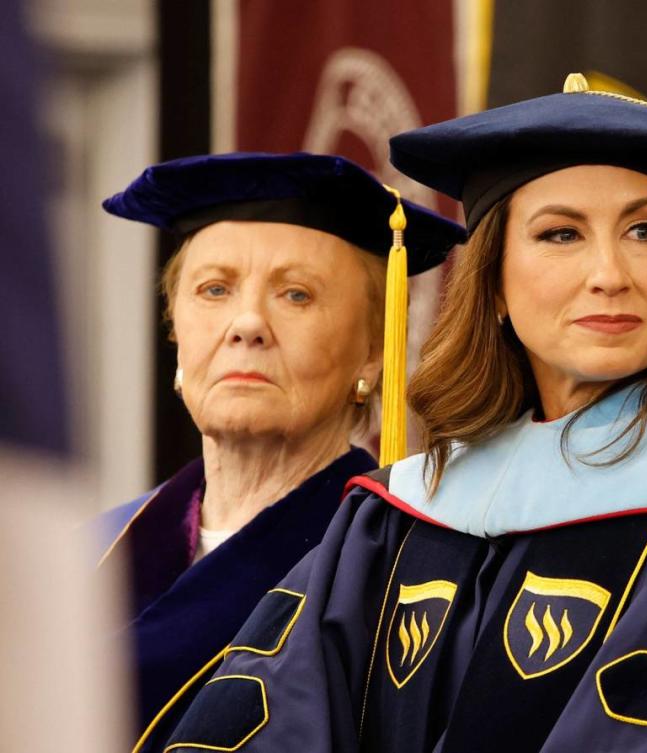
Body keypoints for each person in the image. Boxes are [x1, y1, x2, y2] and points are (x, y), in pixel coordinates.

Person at [153, 77, 647, 753]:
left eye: (646, 230)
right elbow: (259, 717)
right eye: (561, 233)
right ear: (494, 284)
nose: (609, 274)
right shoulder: (402, 513)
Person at [95, 152, 465, 741]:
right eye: (214, 289)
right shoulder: (90, 546)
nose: (247, 323)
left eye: (296, 295)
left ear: (374, 350)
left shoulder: (404, 577)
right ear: (176, 332)